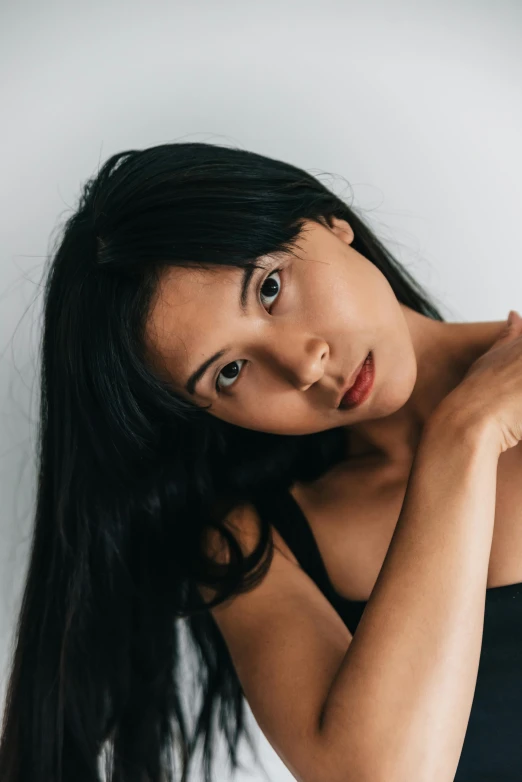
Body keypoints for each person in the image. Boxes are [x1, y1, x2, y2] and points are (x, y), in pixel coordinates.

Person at [0, 141, 521, 782]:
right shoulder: (251, 541)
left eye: (270, 287)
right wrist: (461, 439)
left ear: (329, 223)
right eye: (230, 372)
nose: (303, 365)